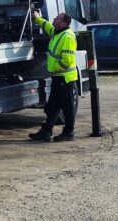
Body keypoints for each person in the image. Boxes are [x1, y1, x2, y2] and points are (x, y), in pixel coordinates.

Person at [28, 10, 78, 142]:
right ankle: (46, 131)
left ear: (63, 23)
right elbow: (48, 27)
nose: (54, 19)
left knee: (67, 107)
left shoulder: (67, 37)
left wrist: (53, 69)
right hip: (58, 77)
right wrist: (37, 18)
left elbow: (67, 61)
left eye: (57, 18)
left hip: (65, 78)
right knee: (53, 106)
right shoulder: (57, 33)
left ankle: (69, 133)